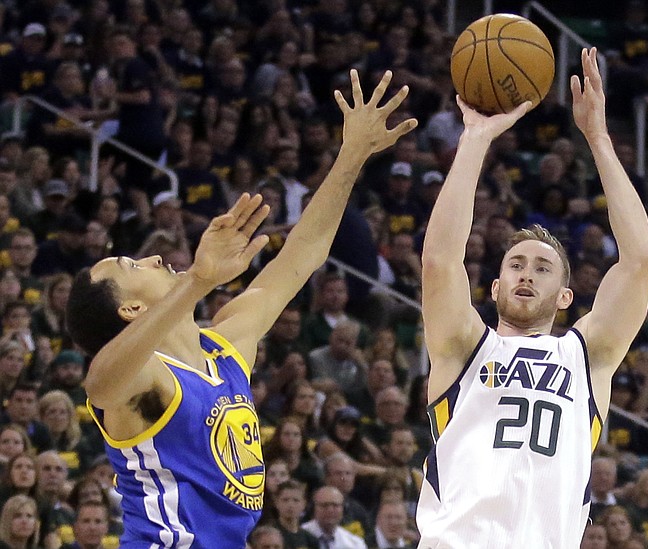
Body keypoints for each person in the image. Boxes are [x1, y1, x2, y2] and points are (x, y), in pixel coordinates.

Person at [63, 69, 416, 547]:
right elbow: (100, 382)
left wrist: (351, 155)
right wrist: (196, 282)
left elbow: (301, 257)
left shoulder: (225, 348)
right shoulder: (145, 377)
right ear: (130, 310)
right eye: (131, 264)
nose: (151, 257)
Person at [416, 48, 648, 547]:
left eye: (543, 267)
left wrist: (598, 138)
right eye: (516, 265)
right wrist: (475, 140)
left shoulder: (585, 356)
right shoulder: (463, 346)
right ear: (496, 287)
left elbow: (640, 262)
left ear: (566, 295)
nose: (528, 274)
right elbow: (440, 260)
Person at [302, 486, 367, 549]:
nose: (330, 510)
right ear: (313, 509)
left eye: (335, 505)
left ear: (343, 509)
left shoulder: (355, 544)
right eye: (324, 505)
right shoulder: (299, 538)